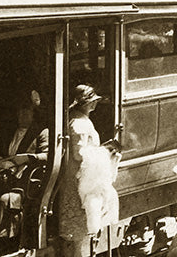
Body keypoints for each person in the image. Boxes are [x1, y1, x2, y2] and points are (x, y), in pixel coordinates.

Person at [0, 90, 50, 254]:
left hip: (23, 183)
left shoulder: (41, 132)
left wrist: (27, 158)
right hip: (3, 177)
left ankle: (3, 246)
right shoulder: (10, 131)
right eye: (20, 111)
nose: (22, 115)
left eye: (26, 111)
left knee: (3, 200)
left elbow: (48, 156)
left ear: (33, 113)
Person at [59, 84, 120, 257]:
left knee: (77, 229)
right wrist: (104, 152)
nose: (94, 105)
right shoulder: (79, 123)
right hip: (81, 178)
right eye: (91, 102)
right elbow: (79, 154)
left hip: (79, 176)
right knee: (79, 227)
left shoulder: (75, 119)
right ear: (83, 103)